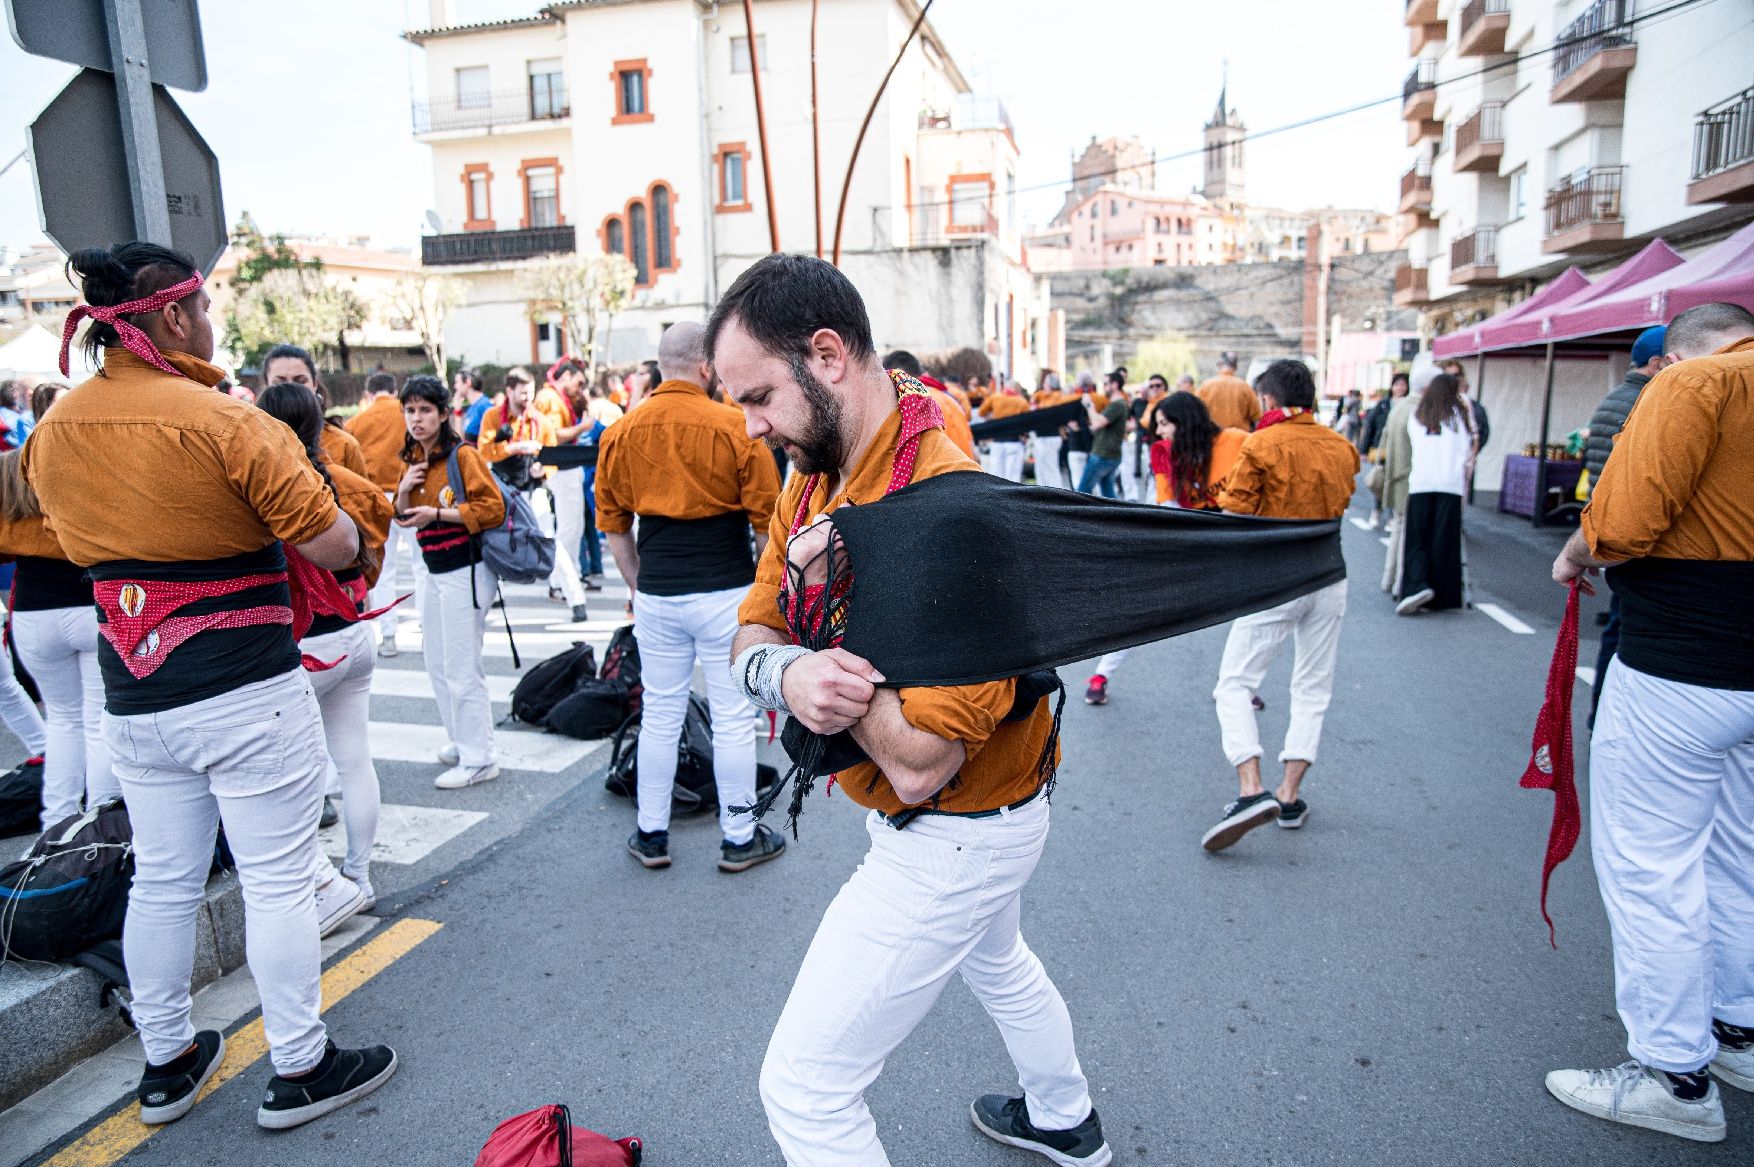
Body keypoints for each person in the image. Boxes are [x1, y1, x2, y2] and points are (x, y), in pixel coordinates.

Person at [720, 253, 1109, 1167]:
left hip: (958, 827)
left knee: (805, 1088)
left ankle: (1064, 1114)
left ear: (826, 355)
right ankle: (1066, 1118)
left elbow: (919, 759)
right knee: (1002, 964)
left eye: (759, 397)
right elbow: (751, 628)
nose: (749, 428)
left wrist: (810, 657)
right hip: (965, 814)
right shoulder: (815, 469)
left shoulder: (951, 509)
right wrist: (784, 674)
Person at [25, 242, 395, 1130]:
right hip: (243, 686)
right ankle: (301, 1065)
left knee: (161, 880)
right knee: (275, 880)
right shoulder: (227, 422)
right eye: (206, 307)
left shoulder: (53, 432)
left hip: (138, 695)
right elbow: (334, 545)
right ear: (172, 315)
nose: (215, 322)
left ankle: (167, 1062)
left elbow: (75, 548)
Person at [1545, 302, 1754, 1143]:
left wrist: (1576, 551)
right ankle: (1738, 1027)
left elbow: (1624, 523)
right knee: (1739, 851)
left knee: (1654, 865)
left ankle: (1676, 1073)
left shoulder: (1693, 383)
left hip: (1684, 660)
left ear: (1669, 358)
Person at [595, 321, 784, 872]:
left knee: (659, 713)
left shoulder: (621, 433)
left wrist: (639, 585)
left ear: (659, 366)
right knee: (731, 716)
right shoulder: (734, 427)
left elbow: (613, 527)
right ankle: (740, 838)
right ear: (706, 368)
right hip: (726, 589)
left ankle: (651, 835)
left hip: (657, 590)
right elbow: (766, 525)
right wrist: (759, 593)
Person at [1202, 359, 1359, 852]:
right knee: (1312, 688)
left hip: (1274, 582)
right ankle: (1290, 795)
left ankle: (1251, 788)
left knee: (1234, 684)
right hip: (1330, 576)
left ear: (1268, 401)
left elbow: (1236, 508)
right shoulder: (1341, 446)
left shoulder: (1262, 443)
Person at [256, 382, 390, 911]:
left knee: (295, 774)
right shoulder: (349, 483)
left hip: (306, 648)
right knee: (355, 761)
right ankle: (360, 875)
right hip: (355, 631)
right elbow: (377, 538)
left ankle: (326, 887)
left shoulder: (265, 490)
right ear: (322, 424)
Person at [1085, 392, 1249, 707]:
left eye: (1164, 424)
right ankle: (1101, 674)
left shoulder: (1237, 442)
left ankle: (1240, 684)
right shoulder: (1163, 451)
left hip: (1236, 538)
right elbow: (1168, 505)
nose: (1158, 432)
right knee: (1139, 605)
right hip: (1191, 536)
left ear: (1184, 422)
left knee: (1254, 610)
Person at [394, 374, 505, 790]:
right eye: (410, 410)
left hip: (467, 568)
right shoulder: (413, 460)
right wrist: (404, 493)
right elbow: (402, 517)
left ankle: (480, 758)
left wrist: (437, 515)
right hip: (434, 569)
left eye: (425, 410)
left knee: (461, 666)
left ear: (443, 414)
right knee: (437, 660)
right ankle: (462, 741)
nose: (417, 419)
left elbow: (491, 509)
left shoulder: (462, 457)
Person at [0, 447, 117, 829]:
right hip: (88, 608)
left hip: (33, 615)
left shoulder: (10, 496)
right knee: (98, 719)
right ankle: (100, 815)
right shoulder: (80, 490)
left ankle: (57, 820)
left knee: (63, 721)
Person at [1582, 326, 1669, 725]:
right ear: (1656, 364)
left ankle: (1601, 713)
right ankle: (1610, 717)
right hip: (1633, 530)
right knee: (1625, 631)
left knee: (1618, 628)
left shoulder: (1612, 399)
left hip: (1611, 524)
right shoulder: (1648, 402)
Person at [348, 371, 419, 658]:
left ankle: (389, 634)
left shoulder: (357, 422)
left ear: (369, 394)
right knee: (421, 566)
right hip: (411, 492)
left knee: (384, 570)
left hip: (375, 498)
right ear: (395, 390)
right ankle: (429, 628)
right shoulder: (406, 414)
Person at [1395, 373, 1474, 616]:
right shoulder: (1458, 417)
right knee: (1444, 541)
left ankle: (1416, 585)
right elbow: (1465, 453)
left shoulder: (1417, 415)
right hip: (1449, 485)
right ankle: (1441, 594)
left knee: (1417, 538)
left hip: (1420, 483)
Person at [261, 344, 368, 481]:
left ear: (315, 385)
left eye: (300, 381)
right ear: (266, 385)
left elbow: (362, 496)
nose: (291, 389)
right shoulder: (250, 444)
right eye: (280, 383)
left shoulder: (345, 444)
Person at [1380, 363, 1439, 598]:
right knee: (1410, 535)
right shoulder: (1420, 411)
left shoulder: (1399, 407)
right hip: (1412, 479)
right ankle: (1401, 584)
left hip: (1395, 477)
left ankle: (1389, 577)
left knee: (1399, 530)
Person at [882, 350, 974, 459]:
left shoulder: (912, 404)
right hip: (969, 468)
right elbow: (971, 445)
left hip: (944, 471)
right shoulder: (949, 397)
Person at [1077, 371, 1129, 498]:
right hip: (1108, 454)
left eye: (1106, 384)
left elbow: (1097, 423)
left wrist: (1089, 404)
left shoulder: (1118, 404)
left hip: (1103, 454)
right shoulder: (1117, 404)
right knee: (1108, 494)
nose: (1104, 387)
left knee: (1082, 492)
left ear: (1115, 384)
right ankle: (1117, 516)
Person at [976, 379, 1029, 481]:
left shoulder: (995, 397)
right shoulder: (1021, 401)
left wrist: (991, 417)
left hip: (997, 441)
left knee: (996, 475)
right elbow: (1027, 421)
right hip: (1014, 441)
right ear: (1018, 390)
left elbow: (981, 412)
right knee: (1013, 477)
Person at [1198, 354, 1261, 432]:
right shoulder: (1245, 387)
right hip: (1240, 438)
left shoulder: (1206, 386)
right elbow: (1256, 416)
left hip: (1213, 437)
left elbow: (1196, 412)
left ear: (1219, 365)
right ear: (1235, 367)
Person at [1029, 371, 1068, 489]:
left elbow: (1045, 412)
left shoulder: (1056, 397)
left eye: (1045, 383)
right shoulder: (1044, 396)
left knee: (1050, 468)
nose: (1043, 385)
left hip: (1050, 436)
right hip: (1043, 436)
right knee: (1042, 468)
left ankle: (1056, 494)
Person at [1063, 371, 1098, 488]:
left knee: (1078, 480)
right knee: (1092, 482)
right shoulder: (1096, 399)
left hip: (1077, 444)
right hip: (1092, 443)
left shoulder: (1072, 399)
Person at [455, 367, 493, 444]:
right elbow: (460, 441)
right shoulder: (472, 407)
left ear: (468, 382)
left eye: (457, 382)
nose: (455, 386)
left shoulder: (484, 406)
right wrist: (457, 410)